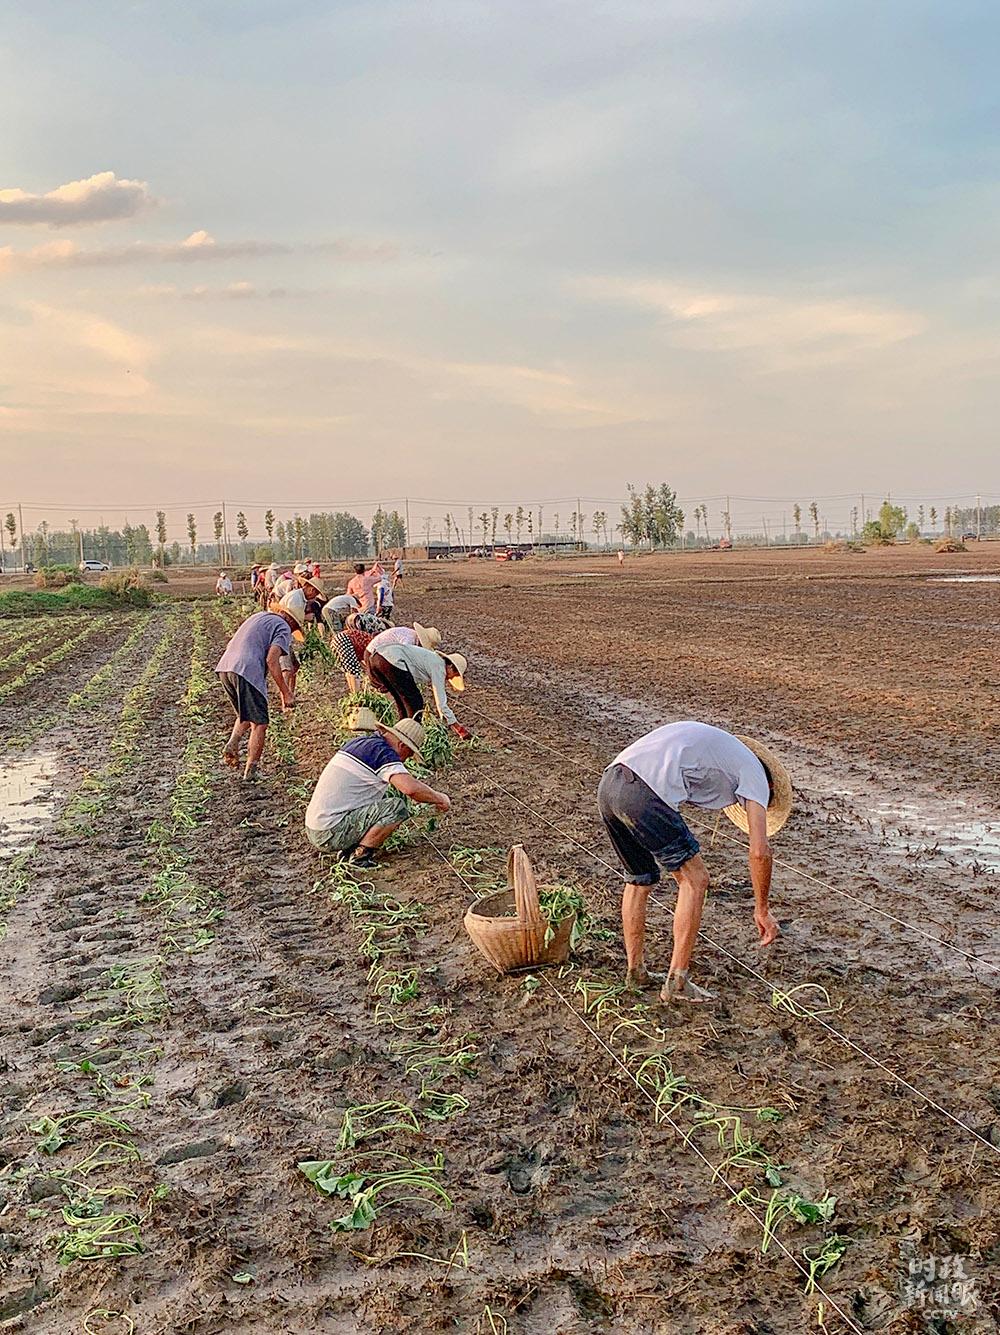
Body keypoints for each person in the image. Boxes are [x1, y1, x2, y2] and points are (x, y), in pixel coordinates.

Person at [597, 721, 790, 1003]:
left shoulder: (727, 752)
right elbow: (760, 851)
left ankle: (635, 971)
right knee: (695, 879)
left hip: (610, 784)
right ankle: (677, 981)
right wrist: (762, 909)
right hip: (644, 793)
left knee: (639, 878)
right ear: (771, 786)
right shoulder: (758, 778)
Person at [305, 717, 450, 865]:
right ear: (402, 745)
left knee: (379, 798)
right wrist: (440, 798)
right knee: (396, 807)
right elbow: (411, 789)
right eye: (410, 754)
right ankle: (360, 857)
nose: (408, 759)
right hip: (329, 832)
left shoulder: (362, 743)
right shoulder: (383, 753)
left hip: (317, 826)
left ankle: (348, 849)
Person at [216, 598, 306, 781]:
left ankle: (233, 741)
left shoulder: (259, 616)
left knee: (246, 713)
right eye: (295, 627)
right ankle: (251, 772)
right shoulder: (283, 627)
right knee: (260, 724)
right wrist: (286, 692)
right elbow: (272, 660)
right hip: (247, 670)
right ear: (292, 621)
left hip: (225, 667)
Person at [367, 642, 470, 738]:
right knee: (416, 702)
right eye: (454, 675)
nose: (451, 678)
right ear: (451, 666)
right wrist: (454, 724)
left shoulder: (431, 658)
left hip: (376, 659)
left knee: (401, 699)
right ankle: (411, 735)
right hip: (391, 659)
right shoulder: (440, 667)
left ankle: (400, 732)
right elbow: (440, 701)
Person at [330, 610, 390, 695]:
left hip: (338, 639)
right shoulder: (374, 648)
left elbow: (360, 662)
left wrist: (366, 670)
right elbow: (369, 665)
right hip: (345, 640)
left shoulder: (370, 641)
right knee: (354, 672)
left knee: (349, 670)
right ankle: (357, 697)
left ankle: (353, 694)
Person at [365, 621, 441, 661]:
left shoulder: (411, 634)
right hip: (374, 653)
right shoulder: (409, 639)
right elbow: (403, 655)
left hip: (378, 652)